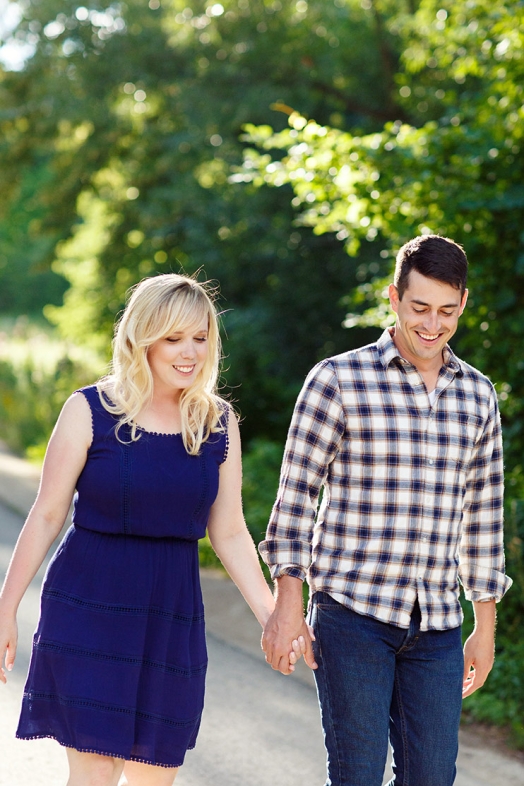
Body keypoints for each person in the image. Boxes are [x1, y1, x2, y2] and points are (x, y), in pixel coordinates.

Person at [0, 274, 299, 786]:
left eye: (200, 338)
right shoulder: (89, 410)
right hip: (88, 605)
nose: (190, 352)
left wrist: (273, 617)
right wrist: (6, 610)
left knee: (154, 774)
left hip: (171, 614)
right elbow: (47, 514)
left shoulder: (217, 422)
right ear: (142, 338)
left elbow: (229, 531)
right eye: (173, 338)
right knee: (95, 771)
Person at [260, 235, 512, 786]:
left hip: (438, 625)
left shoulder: (478, 395)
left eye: (447, 310)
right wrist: (287, 604)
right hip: (352, 616)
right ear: (394, 297)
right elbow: (296, 497)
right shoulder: (337, 380)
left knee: (432, 777)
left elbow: (483, 516)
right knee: (358, 775)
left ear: (463, 304)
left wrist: (484, 626)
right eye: (419, 307)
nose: (432, 324)